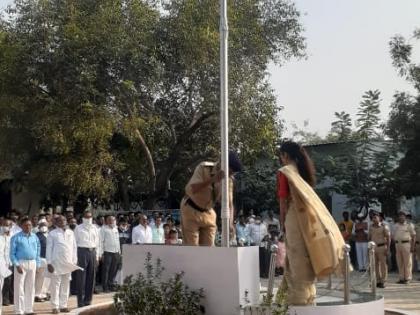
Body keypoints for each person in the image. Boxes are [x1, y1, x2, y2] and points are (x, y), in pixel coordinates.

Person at [276, 141, 345, 306]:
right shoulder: (302, 172)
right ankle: (299, 297)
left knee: (296, 257)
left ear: (285, 155)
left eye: (280, 156)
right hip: (307, 218)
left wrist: (283, 222)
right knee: (301, 257)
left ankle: (298, 299)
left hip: (294, 216)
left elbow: (283, 200)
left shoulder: (285, 172)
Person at [181, 151, 242, 246]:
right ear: (222, 163)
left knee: (209, 249)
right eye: (229, 172)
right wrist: (212, 180)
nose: (230, 175)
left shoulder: (229, 180)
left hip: (208, 212)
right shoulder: (204, 168)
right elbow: (193, 189)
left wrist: (230, 223)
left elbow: (229, 204)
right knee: (192, 248)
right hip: (191, 208)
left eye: (232, 173)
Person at [46, 215, 78, 314]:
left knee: (66, 284)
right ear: (56, 222)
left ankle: (63, 305)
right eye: (60, 220)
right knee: (55, 286)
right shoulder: (52, 233)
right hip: (56, 263)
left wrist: (74, 260)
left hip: (68, 262)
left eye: (64, 220)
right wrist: (49, 263)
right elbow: (49, 249)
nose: (63, 221)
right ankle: (55, 307)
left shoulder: (70, 232)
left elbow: (74, 247)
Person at [10, 217, 41, 315]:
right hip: (21, 263)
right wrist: (17, 264)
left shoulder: (35, 237)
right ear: (21, 226)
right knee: (19, 287)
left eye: (30, 225)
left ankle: (29, 309)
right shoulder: (16, 237)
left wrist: (38, 264)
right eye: (26, 225)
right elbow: (12, 253)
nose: (28, 227)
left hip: (32, 263)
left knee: (31, 287)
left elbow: (38, 251)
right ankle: (19, 310)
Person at [74, 211, 99, 308]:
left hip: (92, 252)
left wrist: (97, 256)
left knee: (91, 277)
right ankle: (80, 301)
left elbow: (98, 243)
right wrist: (75, 257)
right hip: (82, 252)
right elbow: (74, 243)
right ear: (83, 218)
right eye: (86, 217)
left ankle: (88, 300)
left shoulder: (95, 228)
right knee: (81, 277)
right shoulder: (78, 228)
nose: (88, 219)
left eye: (90, 217)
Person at [393, 210, 416, 284]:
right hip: (398, 244)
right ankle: (401, 278)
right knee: (400, 262)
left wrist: (412, 246)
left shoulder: (409, 225)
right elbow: (393, 235)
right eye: (400, 216)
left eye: (402, 216)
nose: (401, 217)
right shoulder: (396, 225)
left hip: (406, 244)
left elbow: (413, 236)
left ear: (405, 217)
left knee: (407, 262)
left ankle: (407, 278)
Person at [368, 212, 390, 288]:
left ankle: (383, 281)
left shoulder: (384, 226)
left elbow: (388, 238)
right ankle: (377, 281)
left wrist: (388, 249)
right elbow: (369, 238)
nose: (374, 219)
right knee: (374, 265)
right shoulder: (370, 227)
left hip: (382, 247)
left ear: (379, 218)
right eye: (373, 217)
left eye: (376, 217)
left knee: (383, 265)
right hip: (373, 248)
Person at [99, 215, 120, 293]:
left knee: (113, 270)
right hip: (107, 252)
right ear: (106, 221)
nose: (111, 221)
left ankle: (110, 285)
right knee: (106, 270)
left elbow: (118, 241)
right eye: (109, 220)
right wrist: (101, 254)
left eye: (113, 220)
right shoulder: (103, 229)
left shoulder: (115, 228)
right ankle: (105, 287)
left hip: (116, 252)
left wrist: (119, 252)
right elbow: (100, 242)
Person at [34, 220, 50, 302]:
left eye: (45, 225)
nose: (43, 226)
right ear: (39, 226)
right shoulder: (36, 235)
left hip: (49, 259)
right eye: (42, 225)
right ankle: (37, 294)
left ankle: (44, 294)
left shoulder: (50, 235)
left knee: (47, 278)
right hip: (40, 258)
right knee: (39, 278)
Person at [0, 221, 12, 315]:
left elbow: (8, 253)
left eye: (7, 225)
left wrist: (9, 263)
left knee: (1, 287)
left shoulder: (9, 238)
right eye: (4, 225)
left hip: (4, 266)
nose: (5, 227)